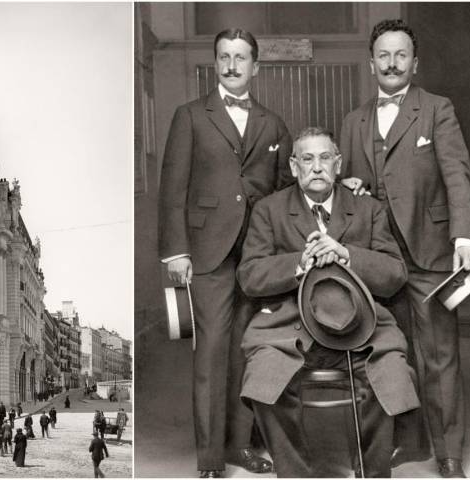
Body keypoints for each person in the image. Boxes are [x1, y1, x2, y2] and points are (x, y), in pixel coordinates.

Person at [339, 20, 470, 478]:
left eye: (401, 55)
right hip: (378, 257)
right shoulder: (353, 120)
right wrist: (351, 187)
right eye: (383, 55)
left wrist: (467, 235)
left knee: (439, 357)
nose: (392, 63)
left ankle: (450, 454)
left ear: (414, 63)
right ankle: (408, 443)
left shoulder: (437, 109)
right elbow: (347, 190)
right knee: (388, 353)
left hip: (430, 252)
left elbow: (458, 173)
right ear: (371, 64)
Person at [236, 127, 420, 477]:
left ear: (338, 164)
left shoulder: (368, 209)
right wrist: (299, 263)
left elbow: (395, 273)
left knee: (392, 375)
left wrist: (346, 254)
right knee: (264, 379)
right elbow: (249, 276)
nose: (317, 167)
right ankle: (296, 472)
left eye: (325, 158)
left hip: (362, 326)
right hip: (289, 326)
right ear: (293, 166)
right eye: (307, 158)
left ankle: (371, 471)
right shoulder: (269, 210)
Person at [158, 27, 295, 478]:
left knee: (249, 352)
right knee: (212, 353)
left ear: (255, 65)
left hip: (258, 255)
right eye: (224, 57)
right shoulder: (191, 115)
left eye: (241, 57)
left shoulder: (273, 124)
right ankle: (211, 459)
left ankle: (240, 447)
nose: (232, 65)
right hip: (207, 255)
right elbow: (172, 190)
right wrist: (176, 252)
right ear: (215, 63)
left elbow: (283, 192)